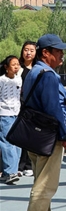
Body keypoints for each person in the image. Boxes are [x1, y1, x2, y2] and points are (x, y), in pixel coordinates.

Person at [22, 34, 66, 211]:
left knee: (40, 180)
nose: (62, 54)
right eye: (58, 51)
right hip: (49, 136)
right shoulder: (49, 76)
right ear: (45, 53)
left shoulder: (34, 72)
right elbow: (53, 109)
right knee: (46, 184)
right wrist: (65, 135)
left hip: (35, 134)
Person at [16, 41, 37, 177]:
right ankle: (18, 165)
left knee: (31, 136)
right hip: (18, 106)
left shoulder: (38, 68)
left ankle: (29, 165)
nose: (28, 53)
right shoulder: (17, 67)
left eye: (31, 50)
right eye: (26, 50)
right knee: (19, 135)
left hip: (33, 106)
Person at [0, 55, 23, 183]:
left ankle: (11, 170)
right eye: (13, 65)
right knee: (7, 142)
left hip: (16, 114)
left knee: (17, 142)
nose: (16, 67)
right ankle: (10, 172)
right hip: (4, 114)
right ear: (6, 67)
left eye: (17, 64)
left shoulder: (19, 79)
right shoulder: (1, 80)